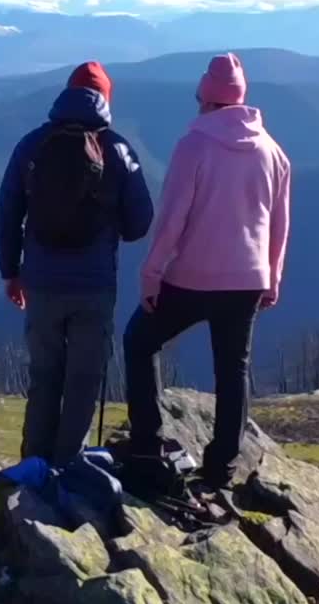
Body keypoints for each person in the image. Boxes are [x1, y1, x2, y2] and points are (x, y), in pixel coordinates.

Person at [123, 52, 290, 492]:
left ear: (208, 98)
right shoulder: (273, 152)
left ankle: (146, 444)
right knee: (233, 370)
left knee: (140, 341)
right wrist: (272, 278)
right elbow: (279, 224)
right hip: (248, 280)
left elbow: (173, 217)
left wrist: (152, 274)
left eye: (199, 96)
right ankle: (221, 469)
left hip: (193, 275)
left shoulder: (193, 145)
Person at [0, 61, 153, 466]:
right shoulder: (117, 149)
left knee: (44, 374)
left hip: (41, 283)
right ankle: (68, 465)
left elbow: (8, 210)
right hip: (94, 286)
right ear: (105, 99)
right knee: (84, 380)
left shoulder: (31, 145)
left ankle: (32, 463)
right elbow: (140, 224)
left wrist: (11, 272)